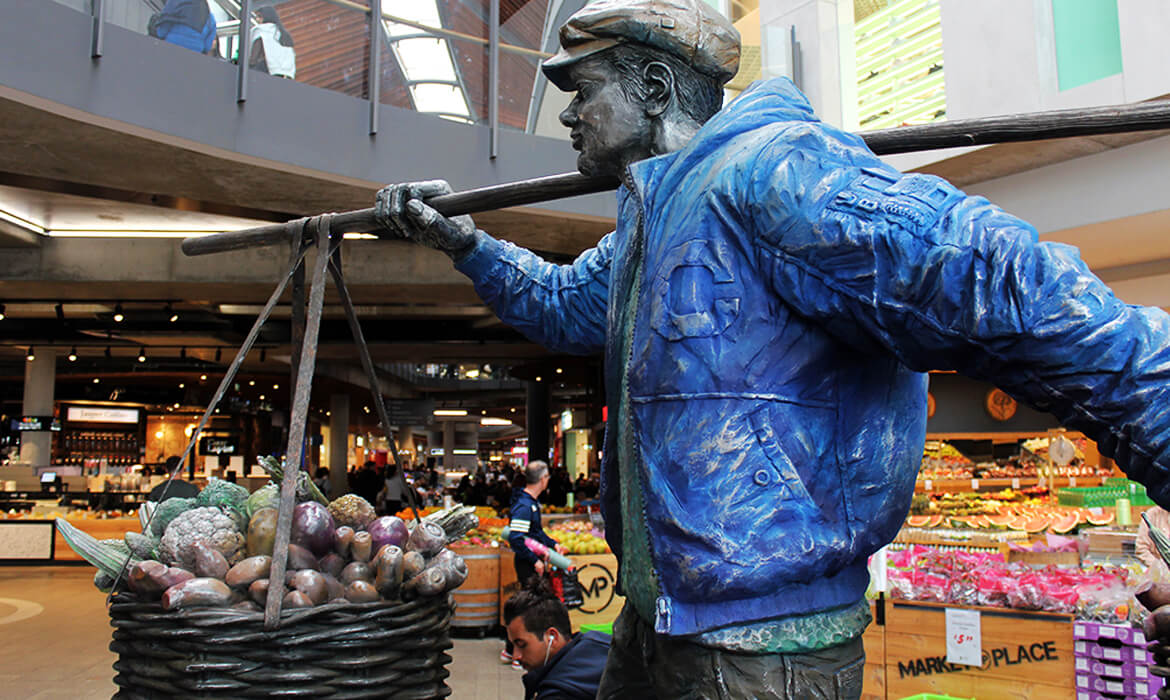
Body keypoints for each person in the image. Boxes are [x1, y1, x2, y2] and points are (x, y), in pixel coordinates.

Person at [374, 0, 1170, 695]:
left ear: (652, 88)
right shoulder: (653, 220)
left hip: (765, 652)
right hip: (660, 625)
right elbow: (564, 304)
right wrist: (464, 243)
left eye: (583, 92)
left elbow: (1014, 290)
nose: (570, 119)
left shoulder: (779, 173)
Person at [504, 579, 611, 700]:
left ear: (552, 637)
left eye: (522, 645)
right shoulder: (598, 643)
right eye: (513, 646)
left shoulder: (557, 694)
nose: (516, 656)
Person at [508, 461, 564, 584]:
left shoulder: (531, 503)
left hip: (533, 561)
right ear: (542, 479)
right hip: (527, 565)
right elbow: (516, 538)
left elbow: (536, 532)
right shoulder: (524, 506)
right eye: (547, 476)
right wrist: (534, 560)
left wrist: (552, 544)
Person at [148, 0, 217, 55]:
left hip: (169, 51)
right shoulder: (210, 18)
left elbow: (161, 32)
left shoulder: (175, 3)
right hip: (194, 59)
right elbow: (207, 46)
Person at [249, 6, 296, 79]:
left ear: (265, 17)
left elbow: (253, 58)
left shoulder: (261, 30)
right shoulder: (284, 34)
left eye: (259, 17)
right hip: (284, 75)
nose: (257, 20)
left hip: (263, 71)